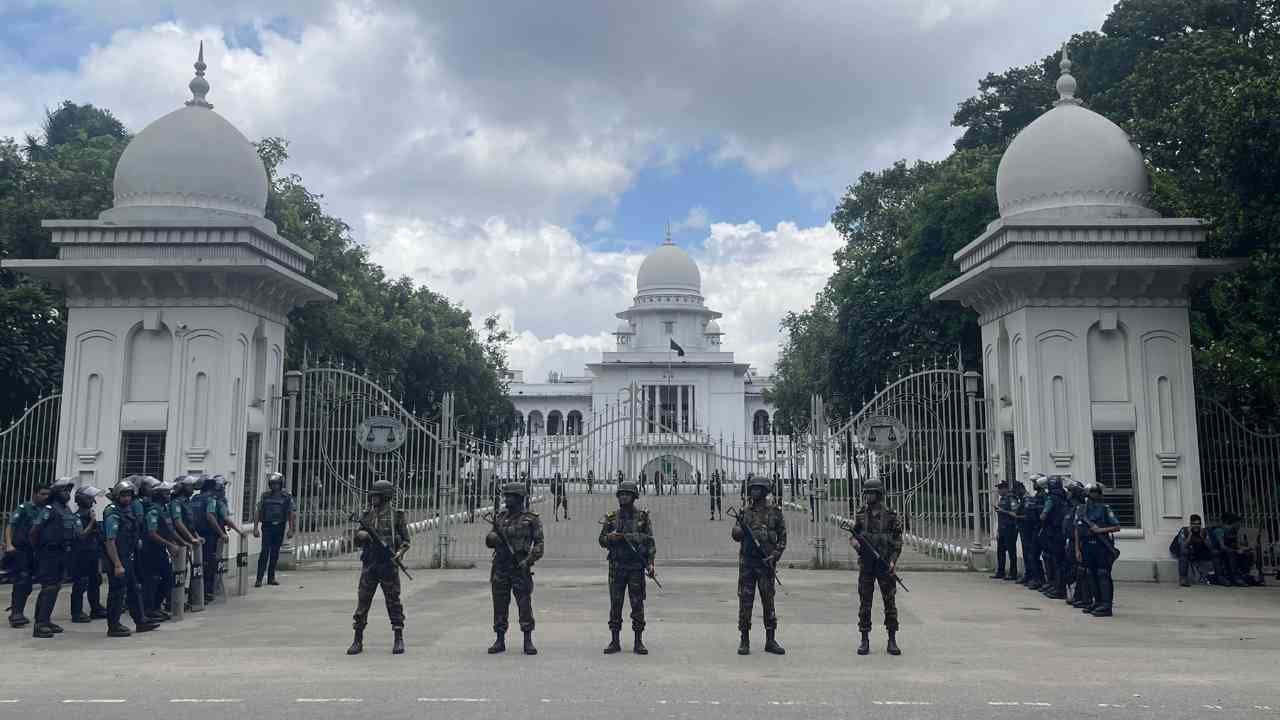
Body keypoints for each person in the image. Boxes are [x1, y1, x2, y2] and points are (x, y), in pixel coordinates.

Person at [347, 479, 410, 656]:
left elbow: (406, 541)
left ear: (385, 497)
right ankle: (357, 639)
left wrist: (400, 553)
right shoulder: (367, 515)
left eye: (377, 496)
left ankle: (398, 637)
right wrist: (361, 535)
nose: (373, 498)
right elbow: (357, 539)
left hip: (388, 565)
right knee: (363, 600)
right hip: (370, 564)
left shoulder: (397, 516)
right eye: (372, 495)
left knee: (393, 601)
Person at [486, 482, 544, 655]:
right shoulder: (500, 518)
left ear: (519, 498)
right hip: (501, 566)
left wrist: (528, 561)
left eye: (511, 496)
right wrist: (493, 538)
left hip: (520, 567)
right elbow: (489, 539)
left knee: (524, 604)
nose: (507, 499)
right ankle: (499, 639)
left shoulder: (531, 519)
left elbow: (539, 544)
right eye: (506, 496)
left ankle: (527, 639)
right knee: (499, 604)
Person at [598, 480, 655, 655]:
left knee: (637, 605)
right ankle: (614, 641)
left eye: (627, 494)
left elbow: (650, 542)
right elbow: (601, 540)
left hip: (636, 568)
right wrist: (610, 538)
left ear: (634, 497)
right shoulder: (611, 518)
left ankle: (638, 641)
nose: (623, 497)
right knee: (615, 605)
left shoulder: (642, 518)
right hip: (617, 567)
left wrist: (651, 563)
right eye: (621, 494)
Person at [731, 475, 786, 656]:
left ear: (764, 491)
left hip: (766, 564)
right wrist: (739, 530)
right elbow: (736, 534)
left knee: (768, 601)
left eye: (757, 489)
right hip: (748, 563)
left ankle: (770, 640)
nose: (753, 491)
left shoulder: (775, 513)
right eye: (752, 488)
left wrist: (774, 556)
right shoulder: (745, 512)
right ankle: (744, 639)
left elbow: (782, 538)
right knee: (745, 601)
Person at [850, 477, 904, 656]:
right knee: (865, 603)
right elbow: (854, 535)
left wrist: (893, 561)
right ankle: (864, 639)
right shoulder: (861, 514)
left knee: (890, 603)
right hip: (867, 565)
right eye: (866, 493)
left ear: (879, 494)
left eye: (871, 493)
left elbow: (897, 541)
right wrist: (855, 544)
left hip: (884, 565)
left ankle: (892, 639)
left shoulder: (890, 516)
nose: (868, 496)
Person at [101, 479, 158, 637]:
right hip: (117, 558)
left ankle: (140, 621)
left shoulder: (127, 510)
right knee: (117, 592)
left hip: (128, 556)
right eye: (123, 495)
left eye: (129, 495)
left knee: (134, 589)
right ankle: (113, 626)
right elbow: (110, 541)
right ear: (117, 496)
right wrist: (117, 564)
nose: (127, 498)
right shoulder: (113, 513)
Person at [28, 478, 79, 638]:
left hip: (63, 552)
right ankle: (40, 624)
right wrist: (40, 550)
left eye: (69, 491)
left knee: (55, 587)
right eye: (64, 490)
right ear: (56, 492)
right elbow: (34, 531)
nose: (67, 494)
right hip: (49, 553)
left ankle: (46, 620)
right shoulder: (49, 509)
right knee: (49, 587)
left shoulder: (66, 509)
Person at [193, 475, 245, 602]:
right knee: (211, 564)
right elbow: (215, 517)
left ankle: (196, 593)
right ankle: (207, 592)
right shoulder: (214, 500)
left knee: (198, 563)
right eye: (223, 487)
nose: (224, 490)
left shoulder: (195, 498)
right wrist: (232, 532)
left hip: (196, 535)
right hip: (210, 536)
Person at [5, 484, 50, 628]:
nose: (45, 497)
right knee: (22, 579)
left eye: (47, 494)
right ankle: (16, 613)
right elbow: (11, 525)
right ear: (35, 494)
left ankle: (17, 609)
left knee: (29, 583)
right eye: (42, 494)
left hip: (36, 550)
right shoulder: (24, 508)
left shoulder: (46, 509)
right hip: (22, 549)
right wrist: (8, 544)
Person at [1076, 482, 1121, 617]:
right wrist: (1077, 549)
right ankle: (1097, 601)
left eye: (1095, 492)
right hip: (1087, 546)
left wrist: (1100, 530)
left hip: (1101, 546)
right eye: (1091, 492)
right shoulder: (1081, 509)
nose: (1093, 495)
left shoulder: (1104, 509)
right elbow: (1077, 529)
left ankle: (1106, 605)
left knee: (1103, 573)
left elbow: (1116, 527)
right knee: (1090, 573)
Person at [69, 485, 107, 623]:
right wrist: (92, 522)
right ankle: (76, 612)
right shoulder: (77, 517)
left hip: (93, 553)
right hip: (81, 554)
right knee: (81, 582)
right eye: (90, 498)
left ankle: (95, 608)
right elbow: (81, 536)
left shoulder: (90, 514)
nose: (93, 501)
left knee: (95, 580)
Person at [253, 472, 295, 588]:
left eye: (277, 484)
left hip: (279, 527)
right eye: (272, 484)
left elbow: (291, 513)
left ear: (281, 484)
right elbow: (258, 511)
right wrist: (255, 528)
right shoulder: (265, 496)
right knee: (264, 552)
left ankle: (271, 578)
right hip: (267, 527)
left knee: (275, 552)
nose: (274, 486)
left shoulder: (286, 497)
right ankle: (259, 579)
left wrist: (291, 529)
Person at [1039, 476, 1070, 600]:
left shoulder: (1051, 498)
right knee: (1061, 561)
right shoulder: (1065, 496)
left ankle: (1058, 588)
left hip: (1053, 532)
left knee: (1056, 561)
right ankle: (1058, 586)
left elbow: (1043, 515)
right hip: (1062, 532)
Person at [1064, 481, 1093, 608]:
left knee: (1080, 570)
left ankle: (1083, 596)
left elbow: (1079, 528)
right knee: (1072, 569)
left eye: (1070, 491)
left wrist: (1077, 547)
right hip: (1071, 542)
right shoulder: (1071, 508)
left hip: (1081, 543)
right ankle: (1076, 594)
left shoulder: (1081, 508)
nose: (1067, 493)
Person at [1210, 512, 1256, 586]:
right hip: (1218, 552)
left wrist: (1248, 548)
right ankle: (1235, 577)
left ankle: (1244, 575)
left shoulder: (1233, 532)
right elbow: (1222, 546)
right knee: (1230, 552)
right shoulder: (1219, 531)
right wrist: (1236, 550)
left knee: (1248, 553)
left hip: (1228, 552)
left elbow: (1238, 546)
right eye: (1238, 523)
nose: (1239, 525)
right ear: (1232, 523)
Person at [1019, 475, 1046, 590]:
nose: (1034, 484)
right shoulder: (1037, 496)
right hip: (1034, 529)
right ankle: (1037, 579)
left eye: (1035, 482)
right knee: (1033, 555)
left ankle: (1041, 580)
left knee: (1039, 555)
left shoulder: (1045, 497)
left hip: (1041, 529)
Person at [1172, 514, 1212, 587]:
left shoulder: (1203, 531)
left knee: (1214, 553)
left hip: (1197, 550)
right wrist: (1190, 535)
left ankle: (1215, 577)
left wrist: (1203, 537)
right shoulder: (1184, 530)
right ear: (1190, 524)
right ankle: (1183, 579)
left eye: (1198, 524)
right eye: (1194, 524)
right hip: (1182, 550)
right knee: (1184, 552)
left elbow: (1210, 546)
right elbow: (1183, 546)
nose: (1196, 526)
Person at [990, 481, 1019, 580]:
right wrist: (998, 530)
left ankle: (1013, 573)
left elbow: (1015, 513)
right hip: (1002, 529)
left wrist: (1003, 511)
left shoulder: (1012, 498)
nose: (998, 491)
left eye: (1000, 488)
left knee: (1011, 551)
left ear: (1005, 489)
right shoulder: (1002, 499)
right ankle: (1000, 572)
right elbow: (999, 516)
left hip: (1010, 528)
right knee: (1000, 551)